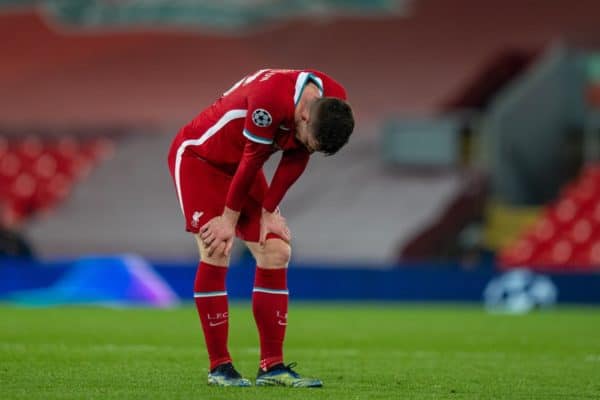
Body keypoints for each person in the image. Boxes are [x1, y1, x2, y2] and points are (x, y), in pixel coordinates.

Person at [167, 68, 354, 387]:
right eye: (311, 142)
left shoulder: (333, 101)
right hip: (201, 159)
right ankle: (219, 367)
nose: (310, 149)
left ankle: (272, 366)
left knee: (277, 249)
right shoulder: (270, 101)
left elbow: (298, 155)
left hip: (242, 166)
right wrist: (227, 221)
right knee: (217, 248)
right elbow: (252, 160)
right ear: (306, 117)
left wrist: (269, 211)